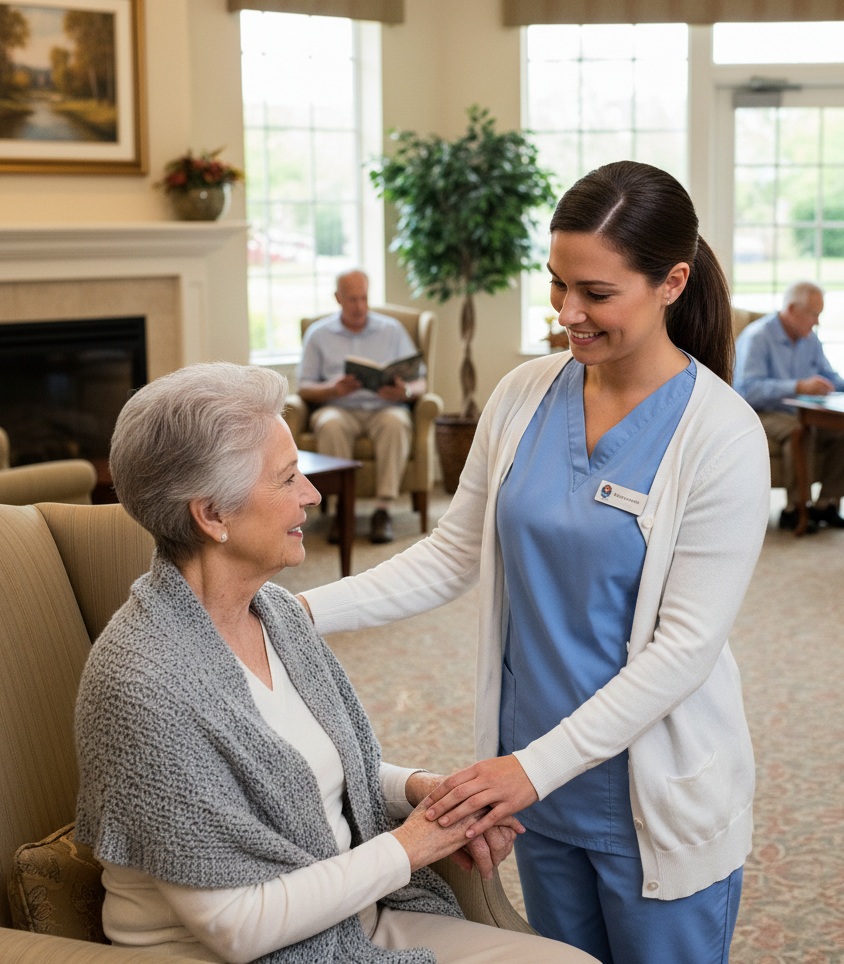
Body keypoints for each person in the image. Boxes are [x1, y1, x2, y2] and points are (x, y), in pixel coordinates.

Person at [299, 161, 771, 964]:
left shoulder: (722, 436)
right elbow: (451, 556)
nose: (568, 315)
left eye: (596, 292)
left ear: (672, 283)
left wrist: (528, 768)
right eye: (556, 286)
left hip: (645, 796)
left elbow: (683, 651)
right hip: (536, 792)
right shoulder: (524, 396)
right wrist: (297, 612)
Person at [74, 361, 594, 964]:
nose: (313, 495)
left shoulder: (275, 615)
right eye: (289, 477)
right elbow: (237, 927)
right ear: (212, 515)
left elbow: (313, 772)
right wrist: (415, 844)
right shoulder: (143, 683)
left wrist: (428, 792)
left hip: (345, 924)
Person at [733, 280, 844, 532]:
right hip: (759, 412)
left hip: (799, 412)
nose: (816, 322)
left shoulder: (809, 339)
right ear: (791, 309)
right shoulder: (758, 337)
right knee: (799, 430)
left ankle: (825, 505)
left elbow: (827, 376)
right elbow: (747, 390)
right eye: (813, 314)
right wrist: (798, 386)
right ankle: (795, 509)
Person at [298, 269, 426, 543]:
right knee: (329, 424)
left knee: (396, 423)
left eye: (364, 298)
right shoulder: (318, 334)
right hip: (339, 407)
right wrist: (333, 388)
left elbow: (421, 384)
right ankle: (342, 512)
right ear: (338, 298)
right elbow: (303, 386)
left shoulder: (391, 330)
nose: (360, 306)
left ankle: (383, 510)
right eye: (352, 299)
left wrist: (403, 390)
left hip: (384, 407)